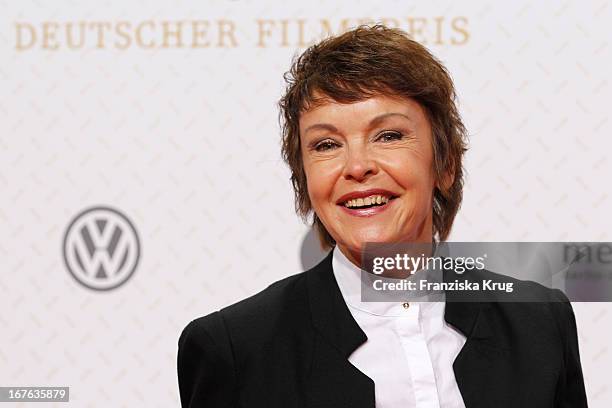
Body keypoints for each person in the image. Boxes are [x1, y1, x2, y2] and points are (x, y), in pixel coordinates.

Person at [177, 25, 588, 407]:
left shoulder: (539, 321)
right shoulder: (233, 349)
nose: (356, 166)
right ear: (304, 179)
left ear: (444, 163)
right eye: (325, 145)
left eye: (388, 135)